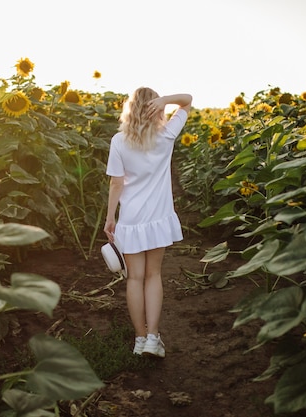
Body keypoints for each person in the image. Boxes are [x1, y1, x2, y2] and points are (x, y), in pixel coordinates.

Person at [104, 87, 192, 358]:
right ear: (156, 108)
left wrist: (110, 219)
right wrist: (167, 100)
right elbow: (187, 102)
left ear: (130, 109)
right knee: (154, 276)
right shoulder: (166, 134)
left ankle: (140, 340)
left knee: (134, 279)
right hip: (158, 218)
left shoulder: (119, 141)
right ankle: (154, 338)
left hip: (131, 220)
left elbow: (116, 183)